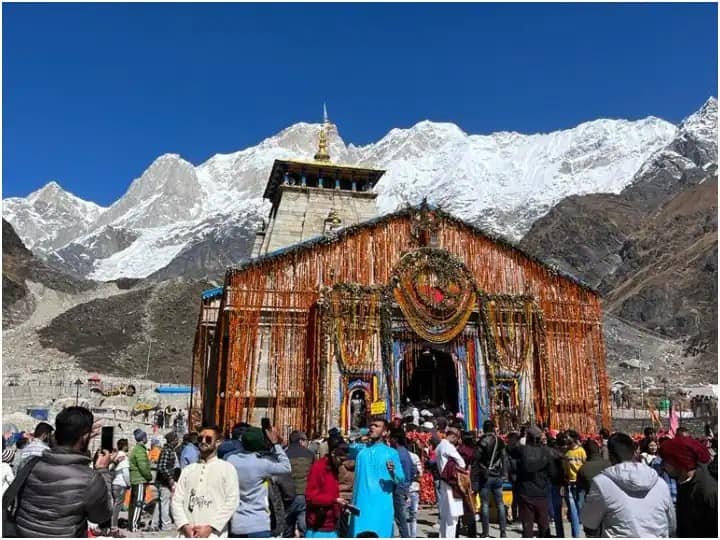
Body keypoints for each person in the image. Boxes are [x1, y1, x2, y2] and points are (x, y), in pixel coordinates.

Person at [13, 406, 116, 537]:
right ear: (85, 438)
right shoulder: (89, 478)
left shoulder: (29, 464)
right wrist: (102, 470)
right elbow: (101, 516)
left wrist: (78, 441)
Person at [581, 432, 675, 537]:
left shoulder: (602, 483)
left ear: (611, 456)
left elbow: (589, 523)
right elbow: (671, 523)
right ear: (635, 452)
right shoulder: (659, 482)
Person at [171, 424, 240, 538]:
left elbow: (232, 501)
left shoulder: (227, 469)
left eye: (208, 439)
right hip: (188, 534)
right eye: (200, 439)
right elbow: (177, 500)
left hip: (214, 534)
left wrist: (211, 527)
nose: (203, 441)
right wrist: (184, 525)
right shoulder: (188, 470)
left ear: (218, 442)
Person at [226, 425, 292, 537]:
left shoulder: (231, 460)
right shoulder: (263, 463)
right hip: (259, 522)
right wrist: (275, 444)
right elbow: (286, 467)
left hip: (237, 523)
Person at [350, 418, 405, 538]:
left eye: (377, 426)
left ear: (385, 432)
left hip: (381, 504)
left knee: (380, 533)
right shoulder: (360, 451)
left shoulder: (391, 453)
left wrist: (392, 472)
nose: (372, 427)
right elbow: (349, 447)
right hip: (360, 503)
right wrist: (361, 436)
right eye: (371, 425)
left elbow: (401, 478)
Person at [659, 434, 717, 537]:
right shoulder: (684, 482)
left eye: (666, 461)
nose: (662, 466)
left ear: (679, 462)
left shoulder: (709, 492)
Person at [509, 426, 553, 538]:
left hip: (526, 492)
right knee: (543, 525)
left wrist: (521, 438)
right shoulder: (546, 451)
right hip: (541, 492)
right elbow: (552, 472)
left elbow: (510, 450)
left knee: (528, 526)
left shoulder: (522, 451)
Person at [305, 442, 350, 538]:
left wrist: (340, 506)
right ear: (333, 453)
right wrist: (333, 500)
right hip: (318, 526)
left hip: (332, 524)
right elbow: (310, 496)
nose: (342, 463)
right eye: (341, 459)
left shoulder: (334, 468)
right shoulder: (319, 468)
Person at [477, 420, 508, 538]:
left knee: (484, 504)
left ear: (484, 429)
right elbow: (504, 458)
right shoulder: (499, 441)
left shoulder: (482, 441)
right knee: (500, 503)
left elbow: (477, 458)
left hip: (485, 476)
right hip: (497, 475)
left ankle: (485, 532)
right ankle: (503, 531)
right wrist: (504, 473)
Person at [435, 426, 466, 539]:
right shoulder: (448, 447)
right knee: (452, 518)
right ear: (453, 436)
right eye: (457, 439)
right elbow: (462, 463)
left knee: (444, 516)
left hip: (443, 482)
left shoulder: (439, 446)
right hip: (451, 484)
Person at [283, 430, 315, 537]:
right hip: (304, 495)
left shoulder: (284, 455)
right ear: (300, 441)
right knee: (304, 527)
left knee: (287, 527)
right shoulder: (310, 454)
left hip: (287, 496)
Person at [150, 431, 180, 532]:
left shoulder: (169, 450)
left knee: (160, 503)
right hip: (164, 482)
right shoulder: (167, 451)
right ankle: (165, 525)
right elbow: (162, 467)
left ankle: (154, 524)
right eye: (176, 439)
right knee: (165, 503)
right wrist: (170, 478)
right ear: (172, 440)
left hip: (163, 481)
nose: (177, 441)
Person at [388, 429, 414, 538]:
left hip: (398, 488)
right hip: (404, 487)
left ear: (395, 439)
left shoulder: (396, 453)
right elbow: (413, 470)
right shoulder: (406, 452)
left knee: (400, 517)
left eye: (391, 438)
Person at [128, 428, 152, 532]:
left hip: (135, 479)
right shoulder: (140, 450)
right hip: (140, 480)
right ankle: (134, 525)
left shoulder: (136, 449)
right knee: (138, 503)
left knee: (133, 503)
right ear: (143, 438)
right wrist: (149, 476)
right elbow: (143, 467)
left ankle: (132, 524)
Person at [575, 439, 609, 511]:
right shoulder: (610, 465)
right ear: (599, 450)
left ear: (585, 452)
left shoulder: (583, 468)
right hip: (610, 502)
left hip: (592, 504)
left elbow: (580, 489)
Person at [563, 429, 586, 537]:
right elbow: (565, 468)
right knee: (573, 510)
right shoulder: (566, 453)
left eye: (567, 437)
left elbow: (585, 465)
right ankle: (575, 535)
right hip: (570, 483)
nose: (566, 439)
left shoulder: (581, 451)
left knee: (579, 507)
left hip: (580, 483)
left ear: (573, 438)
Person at [110, 438, 130, 533]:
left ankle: (111, 524)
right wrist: (128, 483)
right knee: (117, 506)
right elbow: (126, 473)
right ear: (125, 446)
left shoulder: (115, 456)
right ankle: (114, 526)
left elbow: (111, 468)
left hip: (114, 483)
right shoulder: (124, 457)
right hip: (121, 484)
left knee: (114, 504)